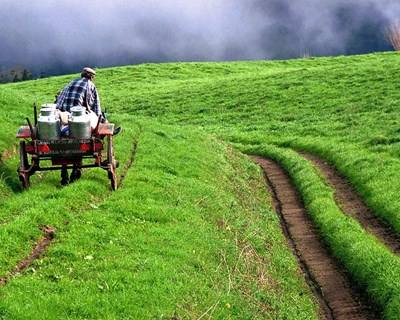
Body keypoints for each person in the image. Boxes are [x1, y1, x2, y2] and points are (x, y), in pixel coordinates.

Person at [55, 67, 121, 185]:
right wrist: (101, 119)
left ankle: (65, 172)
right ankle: (107, 130)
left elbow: (58, 103)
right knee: (95, 119)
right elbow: (96, 108)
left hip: (63, 117)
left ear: (82, 75)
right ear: (91, 77)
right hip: (78, 118)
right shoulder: (90, 85)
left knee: (64, 137)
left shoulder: (70, 83)